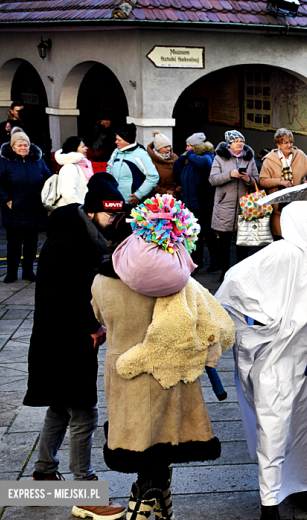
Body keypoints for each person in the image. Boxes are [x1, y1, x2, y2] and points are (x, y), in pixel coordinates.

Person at [91, 194, 234, 519]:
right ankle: (148, 504)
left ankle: (158, 506)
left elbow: (99, 315)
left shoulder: (101, 281)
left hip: (125, 378)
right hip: (170, 378)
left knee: (144, 446)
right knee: (162, 447)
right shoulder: (175, 281)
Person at [216, 201, 307, 520]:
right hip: (278, 355)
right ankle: (269, 501)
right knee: (274, 424)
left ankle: (300, 482)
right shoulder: (285, 253)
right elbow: (233, 284)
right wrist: (262, 324)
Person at [24, 173, 128, 520]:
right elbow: (64, 296)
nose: (115, 219)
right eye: (110, 214)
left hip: (61, 339)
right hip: (64, 341)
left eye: (118, 213)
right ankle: (86, 492)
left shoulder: (84, 236)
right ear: (94, 211)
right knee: (84, 412)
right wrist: (92, 327)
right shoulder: (68, 242)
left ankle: (43, 472)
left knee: (60, 406)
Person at [0, 129, 51, 282]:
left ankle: (28, 271)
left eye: (26, 145)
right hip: (14, 209)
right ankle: (11, 272)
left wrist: (45, 200)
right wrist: (6, 200)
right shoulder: (4, 161)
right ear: (13, 147)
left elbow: (48, 180)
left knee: (31, 244)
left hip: (34, 208)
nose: (24, 148)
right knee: (14, 244)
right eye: (20, 145)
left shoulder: (37, 160)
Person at [209, 129, 260, 274]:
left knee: (243, 243)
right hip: (225, 205)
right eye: (236, 141)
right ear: (229, 144)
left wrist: (248, 179)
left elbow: (257, 180)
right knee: (224, 243)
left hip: (245, 206)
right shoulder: (220, 158)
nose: (240, 144)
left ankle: (240, 274)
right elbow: (212, 179)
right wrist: (229, 174)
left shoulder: (249, 158)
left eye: (242, 141)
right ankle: (225, 272)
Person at [259, 128, 307, 238]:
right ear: (278, 144)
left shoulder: (300, 155)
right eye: (286, 143)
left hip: (298, 204)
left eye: (291, 142)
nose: (289, 145)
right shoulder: (269, 160)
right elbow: (262, 181)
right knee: (279, 238)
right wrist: (280, 182)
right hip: (278, 207)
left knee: (296, 237)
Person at [174, 132, 217, 270]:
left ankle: (216, 262)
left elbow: (206, 164)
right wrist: (183, 158)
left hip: (203, 202)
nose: (186, 149)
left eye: (189, 146)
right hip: (190, 202)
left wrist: (190, 154)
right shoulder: (189, 159)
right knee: (194, 233)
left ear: (196, 146)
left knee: (208, 233)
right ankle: (196, 262)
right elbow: (177, 170)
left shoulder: (207, 156)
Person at [106, 123, 160, 205]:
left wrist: (139, 195)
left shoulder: (141, 154)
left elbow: (153, 176)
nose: (116, 142)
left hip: (132, 203)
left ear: (127, 141)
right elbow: (109, 169)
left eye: (119, 140)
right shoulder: (116, 151)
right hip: (115, 200)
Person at [48, 136, 95, 210]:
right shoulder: (70, 168)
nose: (86, 148)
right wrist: (80, 210)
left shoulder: (81, 166)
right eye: (82, 147)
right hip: (71, 213)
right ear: (74, 149)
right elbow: (69, 195)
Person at [147, 130, 179, 196]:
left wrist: (180, 186)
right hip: (157, 196)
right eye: (165, 147)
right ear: (158, 148)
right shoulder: (150, 160)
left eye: (169, 146)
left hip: (174, 194)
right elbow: (148, 180)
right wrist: (163, 191)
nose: (168, 149)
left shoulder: (174, 157)